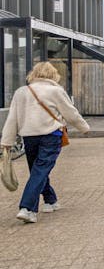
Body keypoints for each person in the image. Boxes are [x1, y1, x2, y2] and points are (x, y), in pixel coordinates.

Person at [1, 62, 91, 224]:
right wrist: (83, 127)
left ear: (33, 74)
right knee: (41, 170)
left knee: (38, 170)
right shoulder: (56, 91)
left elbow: (12, 118)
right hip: (51, 135)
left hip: (29, 137)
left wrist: (6, 141)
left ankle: (50, 200)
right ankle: (27, 208)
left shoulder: (21, 92)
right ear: (53, 75)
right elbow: (70, 112)